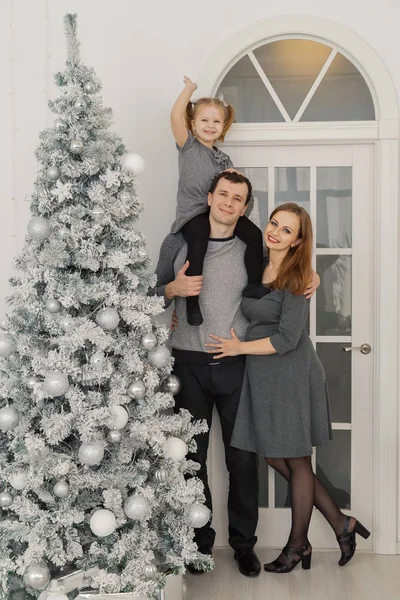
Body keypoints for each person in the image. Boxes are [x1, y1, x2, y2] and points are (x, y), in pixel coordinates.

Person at [152, 175, 319, 576]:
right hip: (186, 364)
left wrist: (312, 277)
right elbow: (146, 293)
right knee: (191, 459)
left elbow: (285, 274)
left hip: (237, 366)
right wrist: (171, 290)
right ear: (209, 197)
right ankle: (199, 542)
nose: (228, 203)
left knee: (242, 461)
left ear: (245, 208)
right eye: (223, 194)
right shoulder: (176, 242)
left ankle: (245, 545)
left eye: (238, 198)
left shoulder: (256, 248)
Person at [205, 202, 371, 574]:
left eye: (287, 230)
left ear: (298, 242)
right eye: (274, 223)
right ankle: (342, 524)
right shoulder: (258, 262)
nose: (276, 232)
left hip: (291, 370)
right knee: (274, 455)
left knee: (296, 459)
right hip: (263, 374)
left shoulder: (298, 277)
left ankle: (297, 546)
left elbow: (286, 338)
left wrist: (238, 347)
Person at [170, 76, 263, 326]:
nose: (210, 126)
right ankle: (192, 304)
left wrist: (238, 179)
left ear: (223, 127)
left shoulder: (224, 159)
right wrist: (188, 90)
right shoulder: (188, 146)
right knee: (198, 241)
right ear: (193, 123)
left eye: (216, 122)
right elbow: (176, 118)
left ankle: (254, 285)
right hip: (194, 215)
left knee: (254, 235)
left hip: (220, 215)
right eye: (204, 120)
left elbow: (238, 195)